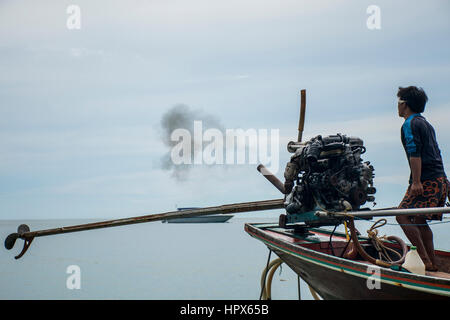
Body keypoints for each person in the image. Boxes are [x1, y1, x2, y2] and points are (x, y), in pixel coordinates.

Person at [396, 86, 449, 272]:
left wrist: (417, 182)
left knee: (401, 215)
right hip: (439, 179)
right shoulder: (425, 123)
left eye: (399, 102)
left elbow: (414, 152)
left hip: (426, 180)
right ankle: (431, 263)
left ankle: (423, 258)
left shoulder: (409, 124)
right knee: (418, 218)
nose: (398, 106)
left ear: (406, 104)